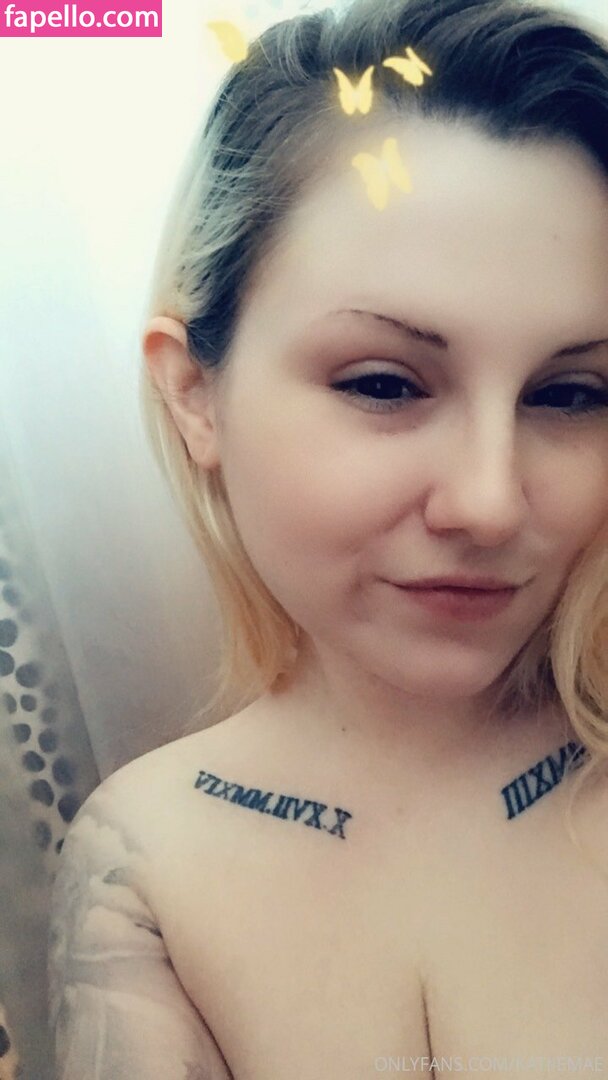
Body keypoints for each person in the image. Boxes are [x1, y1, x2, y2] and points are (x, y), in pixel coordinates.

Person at [47, 0, 608, 1075]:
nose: (489, 503)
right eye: (384, 383)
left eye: (571, 394)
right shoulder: (144, 862)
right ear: (195, 393)